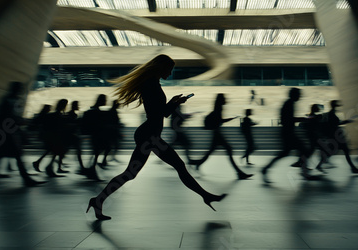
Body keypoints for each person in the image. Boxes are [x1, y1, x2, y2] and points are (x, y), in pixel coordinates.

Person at [87, 54, 226, 220]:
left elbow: (162, 114)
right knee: (178, 166)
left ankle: (98, 200)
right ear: (161, 67)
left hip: (149, 134)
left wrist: (174, 103)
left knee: (130, 174)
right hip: (150, 136)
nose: (170, 73)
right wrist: (173, 104)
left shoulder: (153, 83)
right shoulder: (150, 84)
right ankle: (206, 196)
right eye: (169, 69)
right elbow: (156, 114)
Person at [189, 94, 253, 179]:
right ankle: (239, 173)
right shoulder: (218, 109)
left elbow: (219, 120)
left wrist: (231, 118)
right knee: (228, 150)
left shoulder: (218, 108)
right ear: (221, 100)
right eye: (224, 98)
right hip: (217, 134)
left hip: (216, 134)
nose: (225, 100)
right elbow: (220, 120)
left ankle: (197, 163)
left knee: (212, 152)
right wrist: (231, 119)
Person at [261, 88, 313, 183]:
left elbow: (286, 119)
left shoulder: (289, 103)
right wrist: (301, 119)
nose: (299, 97)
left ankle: (265, 169)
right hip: (288, 133)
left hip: (287, 132)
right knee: (303, 150)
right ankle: (304, 173)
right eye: (298, 95)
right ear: (293, 95)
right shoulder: (289, 104)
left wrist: (299, 119)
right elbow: (288, 119)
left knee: (286, 153)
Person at [314, 100, 358, 174]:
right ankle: (353, 168)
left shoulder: (331, 113)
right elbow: (337, 123)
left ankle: (353, 168)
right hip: (336, 138)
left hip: (336, 137)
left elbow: (336, 123)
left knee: (340, 151)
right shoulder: (331, 114)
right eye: (336, 104)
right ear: (334, 105)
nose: (338, 105)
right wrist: (347, 121)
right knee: (341, 151)